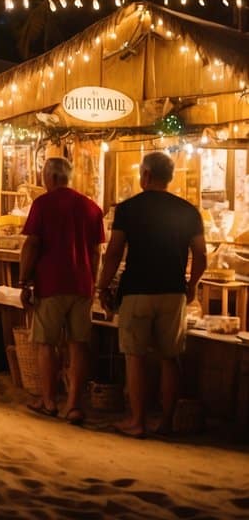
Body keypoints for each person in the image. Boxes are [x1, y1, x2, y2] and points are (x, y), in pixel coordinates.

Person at [97, 152, 206, 438]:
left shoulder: (128, 208)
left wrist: (102, 286)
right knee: (171, 357)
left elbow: (114, 252)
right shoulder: (188, 210)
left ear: (145, 175)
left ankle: (137, 420)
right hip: (173, 291)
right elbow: (201, 255)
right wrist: (192, 284)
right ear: (169, 177)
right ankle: (167, 422)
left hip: (137, 291)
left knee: (135, 357)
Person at [19, 157, 105, 424]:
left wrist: (24, 281)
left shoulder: (43, 204)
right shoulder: (91, 207)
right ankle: (74, 405)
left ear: (51, 177)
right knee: (78, 344)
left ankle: (48, 401)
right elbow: (96, 252)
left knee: (46, 343)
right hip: (82, 285)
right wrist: (93, 282)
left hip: (51, 283)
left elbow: (32, 244)